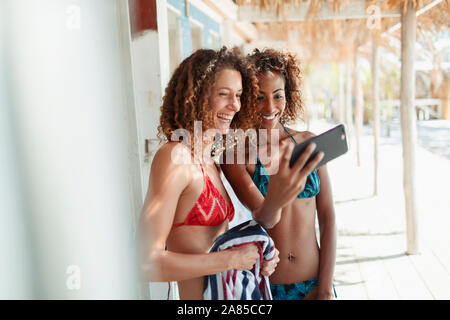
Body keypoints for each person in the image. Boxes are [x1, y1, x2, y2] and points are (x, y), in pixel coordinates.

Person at [139, 47, 284, 300]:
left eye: (239, 95)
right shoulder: (175, 157)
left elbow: (212, 246)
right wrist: (231, 259)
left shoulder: (210, 160)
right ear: (196, 96)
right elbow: (145, 263)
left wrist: (254, 258)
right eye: (224, 94)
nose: (235, 105)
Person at [221, 48, 337, 300]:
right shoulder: (236, 155)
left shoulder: (309, 143)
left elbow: (328, 218)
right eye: (259, 97)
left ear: (288, 96)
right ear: (247, 98)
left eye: (277, 95)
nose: (270, 106)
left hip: (316, 283)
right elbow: (264, 217)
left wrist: (326, 289)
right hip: (266, 289)